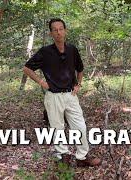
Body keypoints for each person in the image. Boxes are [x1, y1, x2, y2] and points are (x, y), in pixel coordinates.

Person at [23, 18, 101, 167]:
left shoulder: (72, 49)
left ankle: (82, 157)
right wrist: (41, 82)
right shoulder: (45, 52)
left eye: (61, 29)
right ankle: (62, 156)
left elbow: (80, 68)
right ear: (51, 33)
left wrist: (78, 84)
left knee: (80, 127)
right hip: (53, 96)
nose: (58, 32)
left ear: (65, 31)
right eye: (55, 30)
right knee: (57, 128)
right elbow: (27, 68)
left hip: (71, 95)